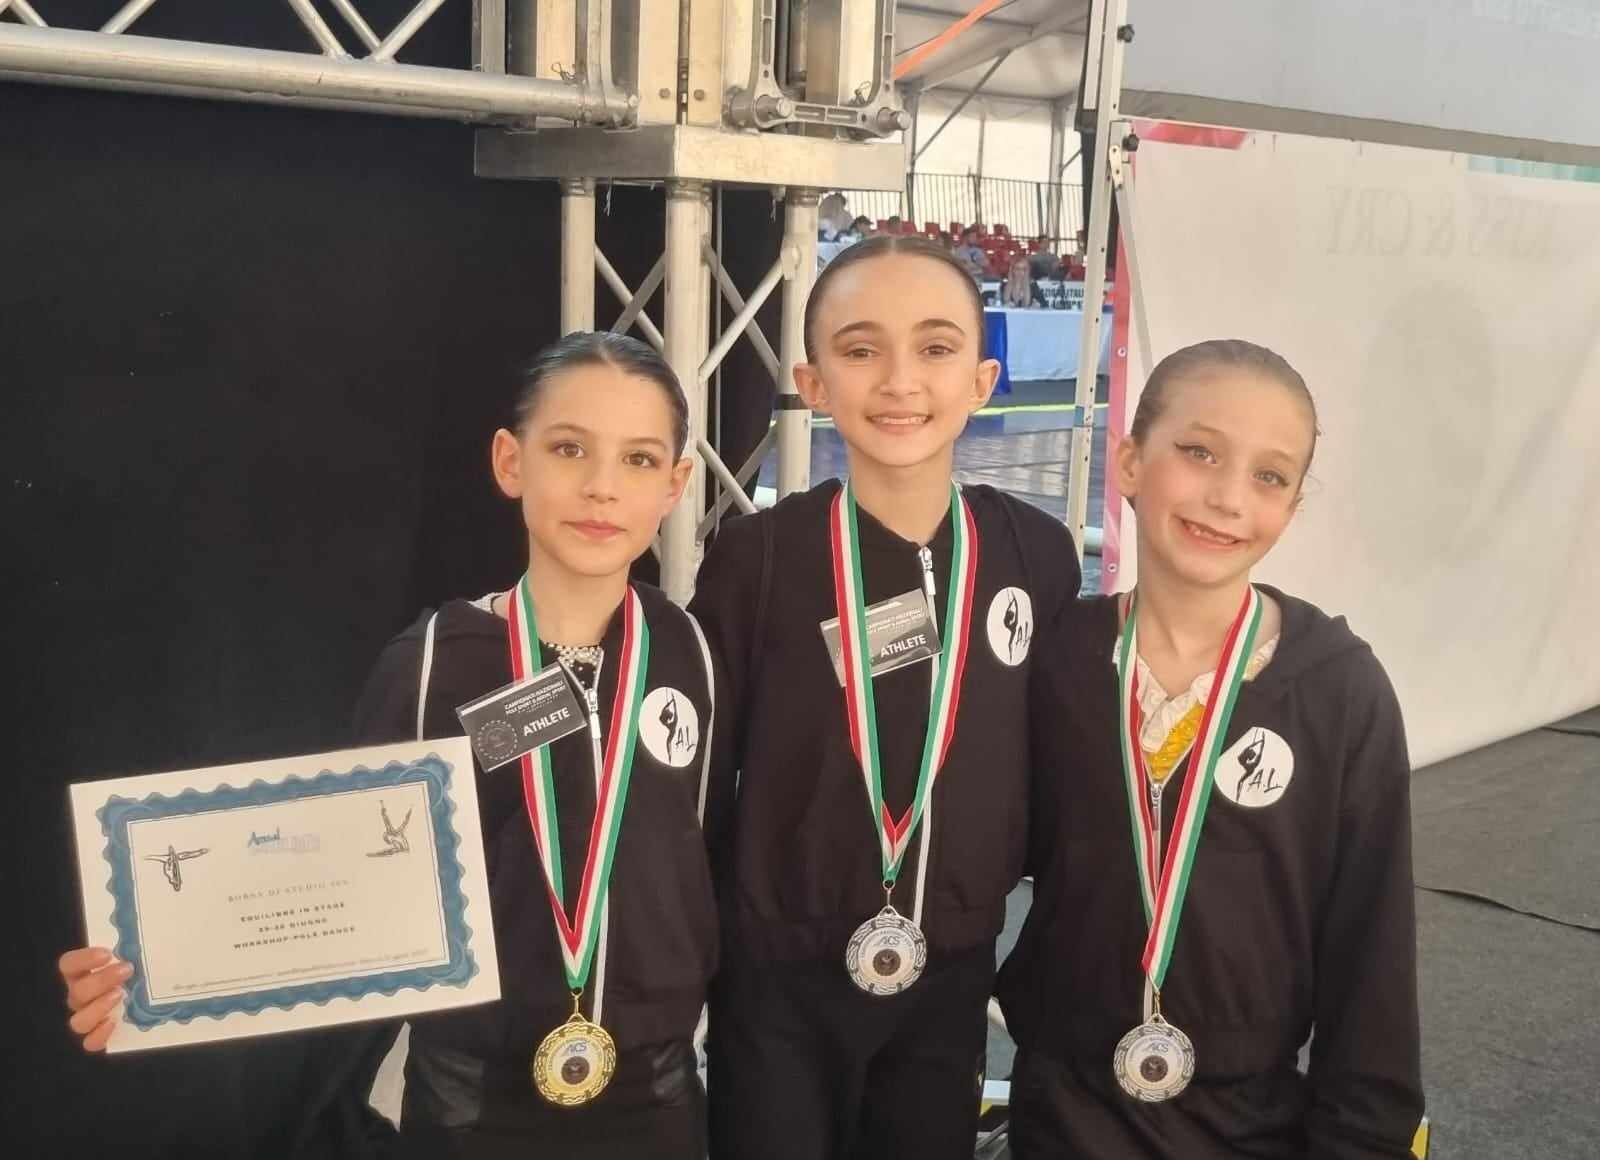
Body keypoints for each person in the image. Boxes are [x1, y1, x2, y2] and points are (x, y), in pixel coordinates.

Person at [60, 332, 730, 1160]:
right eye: (569, 448)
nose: (602, 485)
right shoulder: (434, 664)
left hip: (656, 1099)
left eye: (638, 459)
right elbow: (328, 881)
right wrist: (148, 969)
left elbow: (713, 858)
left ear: (675, 485)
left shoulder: (687, 651)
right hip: (474, 1107)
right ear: (510, 462)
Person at [691, 234, 1081, 1160]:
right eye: (862, 349)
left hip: (949, 973)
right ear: (813, 383)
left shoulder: (1033, 555)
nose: (901, 380)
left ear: (982, 380)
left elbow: (1053, 771)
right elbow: (702, 783)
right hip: (778, 982)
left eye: (935, 348)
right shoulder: (760, 559)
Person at [998, 340, 1424, 1158]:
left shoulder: (1337, 690)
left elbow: (1372, 954)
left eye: (1270, 476)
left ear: (1292, 506)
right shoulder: (1056, 662)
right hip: (1063, 1113)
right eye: (1199, 452)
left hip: (1251, 1125)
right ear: (1129, 462)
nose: (1228, 498)